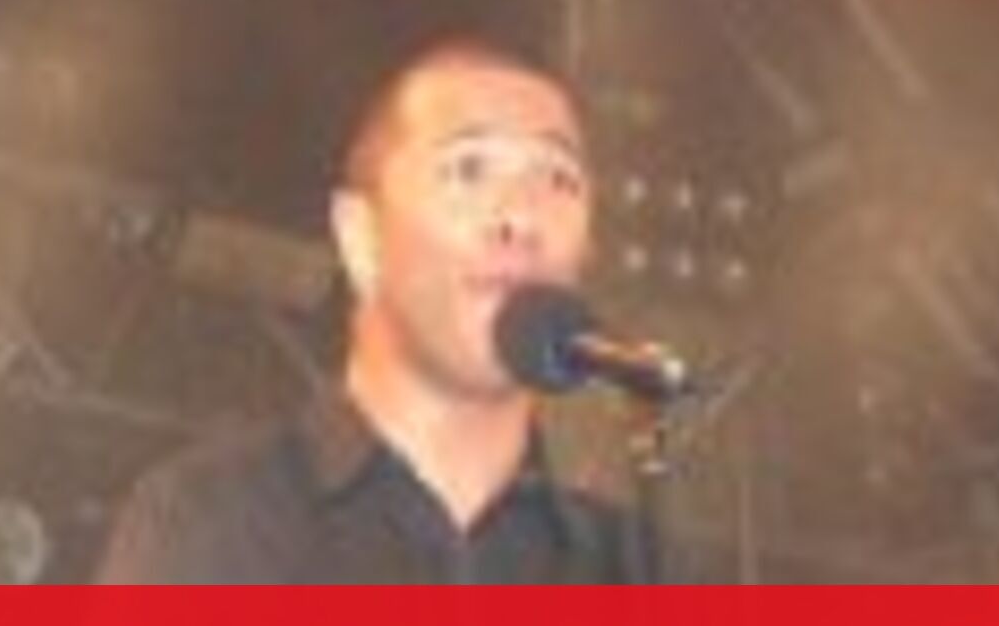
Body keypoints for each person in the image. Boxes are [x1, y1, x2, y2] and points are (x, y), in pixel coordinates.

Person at [96, 36, 650, 583]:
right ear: (360, 238)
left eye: (558, 179)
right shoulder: (216, 522)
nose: (521, 217)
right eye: (468, 169)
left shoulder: (631, 570)